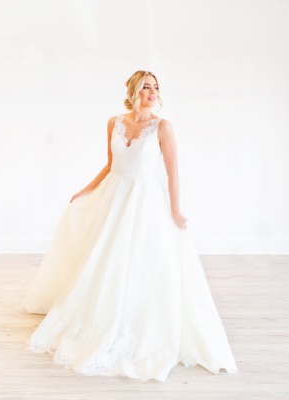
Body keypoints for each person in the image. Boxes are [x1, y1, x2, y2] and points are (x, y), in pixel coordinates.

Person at [23, 70, 237, 382]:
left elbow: (173, 173)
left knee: (141, 262)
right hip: (114, 197)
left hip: (145, 201)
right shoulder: (114, 122)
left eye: (156, 87)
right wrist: (87, 189)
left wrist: (176, 210)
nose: (152, 92)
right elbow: (111, 165)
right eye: (146, 86)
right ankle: (98, 318)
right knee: (105, 260)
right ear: (134, 90)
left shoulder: (163, 127)